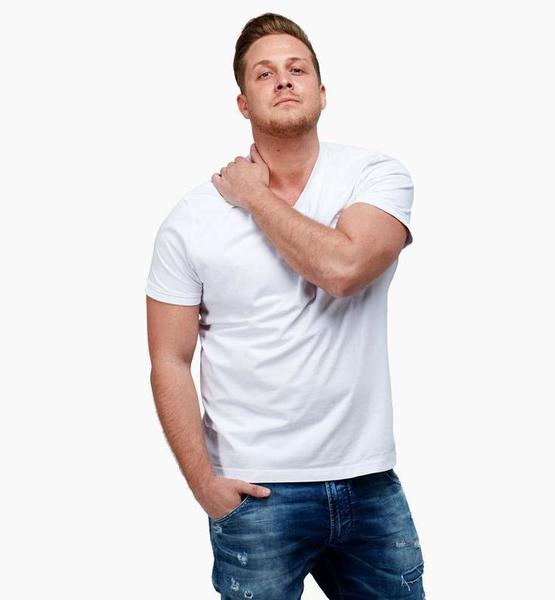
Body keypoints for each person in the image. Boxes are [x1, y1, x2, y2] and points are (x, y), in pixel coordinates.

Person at [145, 12, 426, 600]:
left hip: (369, 480)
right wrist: (203, 486)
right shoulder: (191, 219)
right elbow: (169, 360)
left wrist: (255, 196)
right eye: (264, 73)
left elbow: (343, 269)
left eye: (296, 69)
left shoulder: (375, 176)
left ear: (322, 91)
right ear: (243, 103)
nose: (283, 80)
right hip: (256, 491)